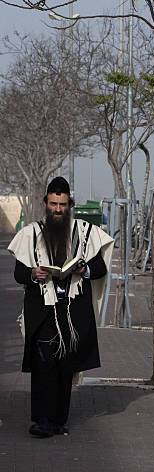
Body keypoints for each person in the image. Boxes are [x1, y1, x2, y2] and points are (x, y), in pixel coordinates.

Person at [8, 177, 114, 438]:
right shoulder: (31, 234)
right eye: (53, 204)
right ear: (45, 203)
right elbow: (19, 272)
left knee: (66, 365)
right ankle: (42, 420)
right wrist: (34, 274)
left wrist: (84, 268)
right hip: (43, 310)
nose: (58, 209)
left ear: (70, 205)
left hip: (72, 310)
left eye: (62, 205)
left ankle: (58, 419)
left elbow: (100, 267)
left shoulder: (84, 232)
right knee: (44, 363)